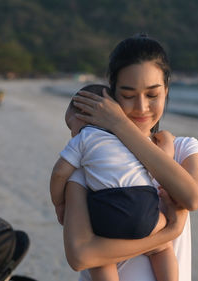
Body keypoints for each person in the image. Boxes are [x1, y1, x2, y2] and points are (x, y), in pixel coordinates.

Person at [61, 34, 198, 281]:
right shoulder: (92, 163)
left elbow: (192, 197)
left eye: (152, 95)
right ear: (111, 95)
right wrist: (167, 234)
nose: (141, 107)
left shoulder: (183, 150)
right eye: (128, 95)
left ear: (166, 91)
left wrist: (119, 124)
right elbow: (80, 256)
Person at [50, 84, 178, 281]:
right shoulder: (132, 139)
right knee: (162, 248)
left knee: (101, 260)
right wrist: (167, 139)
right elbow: (162, 157)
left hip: (106, 214)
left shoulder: (83, 138)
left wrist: (59, 202)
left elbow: (59, 173)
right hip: (143, 209)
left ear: (85, 114)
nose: (71, 133)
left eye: (70, 125)